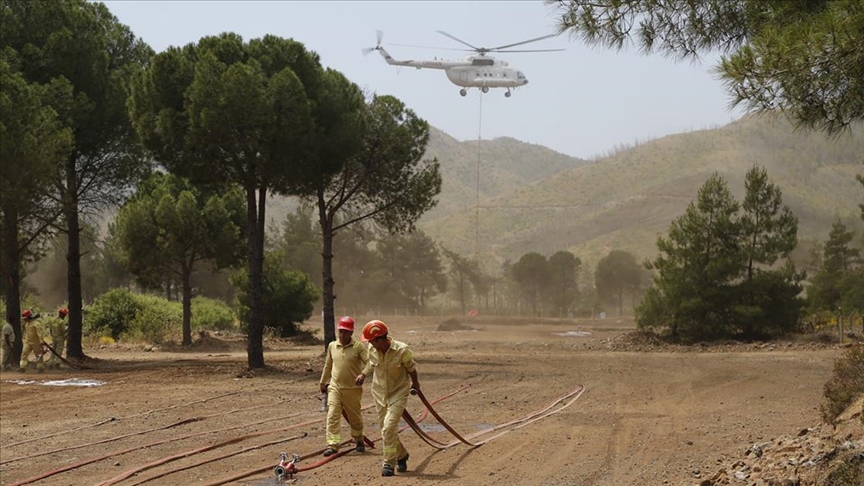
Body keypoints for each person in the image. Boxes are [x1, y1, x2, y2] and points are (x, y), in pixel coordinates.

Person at [359, 319, 419, 477]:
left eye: (371, 340)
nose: (369, 343)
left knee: (388, 428)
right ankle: (402, 455)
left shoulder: (402, 350)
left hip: (398, 393)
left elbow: (412, 369)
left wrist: (416, 384)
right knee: (387, 430)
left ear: (379, 339)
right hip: (379, 394)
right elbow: (371, 365)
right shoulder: (372, 349)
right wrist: (363, 374)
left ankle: (388, 463)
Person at [319, 316, 369, 456]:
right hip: (335, 387)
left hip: (352, 389)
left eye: (346, 332)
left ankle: (359, 439)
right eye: (340, 331)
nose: (342, 334)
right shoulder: (332, 346)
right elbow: (328, 365)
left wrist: (363, 374)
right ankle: (333, 444)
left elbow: (369, 363)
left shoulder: (358, 347)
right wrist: (323, 382)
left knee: (355, 417)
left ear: (351, 333)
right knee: (332, 415)